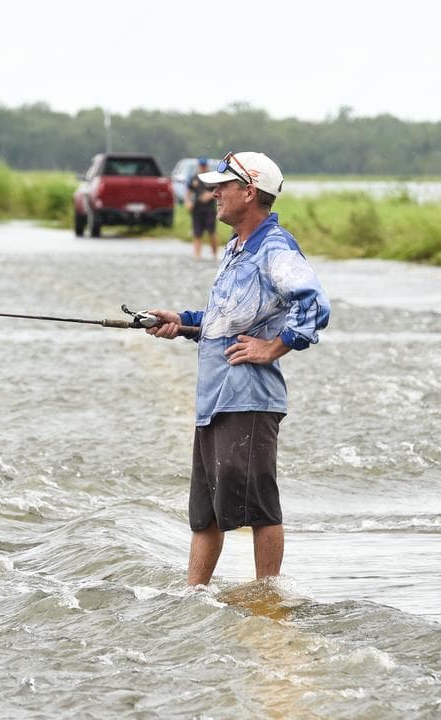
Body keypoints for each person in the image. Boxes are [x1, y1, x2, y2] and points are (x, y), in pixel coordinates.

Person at [146, 151, 330, 586]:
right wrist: (182, 321)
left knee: (260, 509)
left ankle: (269, 600)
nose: (214, 194)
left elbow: (314, 304)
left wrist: (273, 348)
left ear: (248, 193)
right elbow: (223, 318)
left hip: (249, 400)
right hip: (213, 401)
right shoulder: (235, 248)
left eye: (222, 187)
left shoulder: (275, 248)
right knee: (205, 515)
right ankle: (193, 599)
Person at [188, 158, 219, 261]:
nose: (202, 167)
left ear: (207, 166)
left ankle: (215, 255)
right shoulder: (194, 178)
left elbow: (218, 191)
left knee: (212, 232)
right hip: (197, 209)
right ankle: (197, 255)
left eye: (204, 166)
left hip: (209, 210)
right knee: (197, 233)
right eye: (201, 166)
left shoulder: (211, 178)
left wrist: (209, 195)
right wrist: (188, 202)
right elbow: (189, 192)